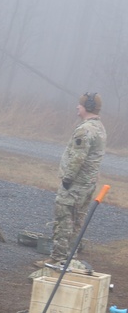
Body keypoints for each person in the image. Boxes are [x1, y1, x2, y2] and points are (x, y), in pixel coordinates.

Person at [37, 93, 106, 267]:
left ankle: (58, 259)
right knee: (77, 222)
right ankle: (69, 258)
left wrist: (67, 179)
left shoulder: (85, 129)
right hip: (88, 184)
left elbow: (78, 157)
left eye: (80, 104)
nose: (77, 107)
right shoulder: (99, 128)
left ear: (87, 107)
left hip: (75, 185)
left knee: (64, 219)